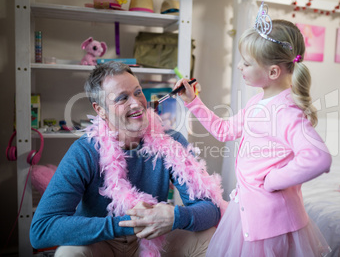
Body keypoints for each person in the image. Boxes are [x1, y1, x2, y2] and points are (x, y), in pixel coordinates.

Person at [175, 2, 332, 257]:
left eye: (246, 63)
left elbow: (319, 157)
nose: (240, 67)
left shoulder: (285, 111)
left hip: (272, 223)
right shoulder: (257, 102)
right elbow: (224, 131)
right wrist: (194, 102)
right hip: (251, 211)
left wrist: (272, 180)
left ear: (272, 71)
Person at [30, 61, 226, 257]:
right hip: (101, 241)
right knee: (68, 253)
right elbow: (42, 229)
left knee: (209, 237)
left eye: (138, 92)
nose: (136, 103)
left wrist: (175, 217)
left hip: (154, 240)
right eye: (122, 98)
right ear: (100, 110)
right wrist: (128, 225)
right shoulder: (85, 151)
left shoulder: (171, 141)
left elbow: (211, 208)